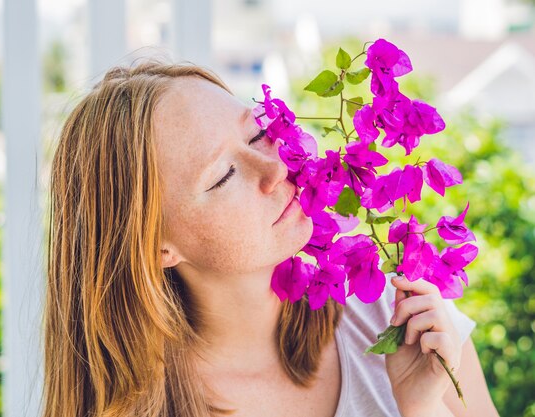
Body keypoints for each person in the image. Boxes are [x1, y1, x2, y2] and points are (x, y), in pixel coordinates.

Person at [41, 58, 499, 417]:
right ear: (155, 246)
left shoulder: (402, 319)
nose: (278, 167)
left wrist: (422, 408)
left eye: (259, 134)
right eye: (223, 176)